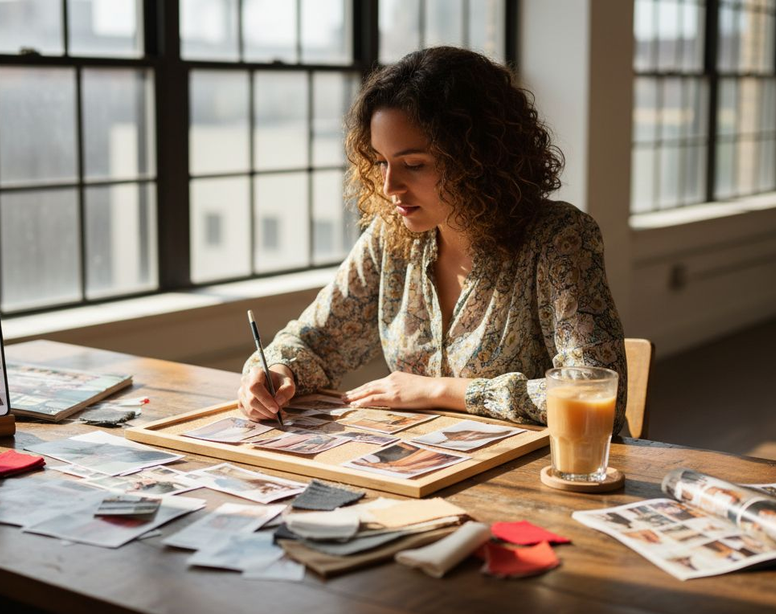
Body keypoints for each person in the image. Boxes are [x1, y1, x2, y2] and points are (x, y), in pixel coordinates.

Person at [238, 47, 626, 433]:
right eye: (380, 162)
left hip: (546, 473)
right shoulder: (391, 237)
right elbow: (313, 340)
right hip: (423, 469)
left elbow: (596, 394)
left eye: (414, 165)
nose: (390, 187)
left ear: (480, 159)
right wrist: (275, 371)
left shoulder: (559, 238)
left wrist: (442, 390)